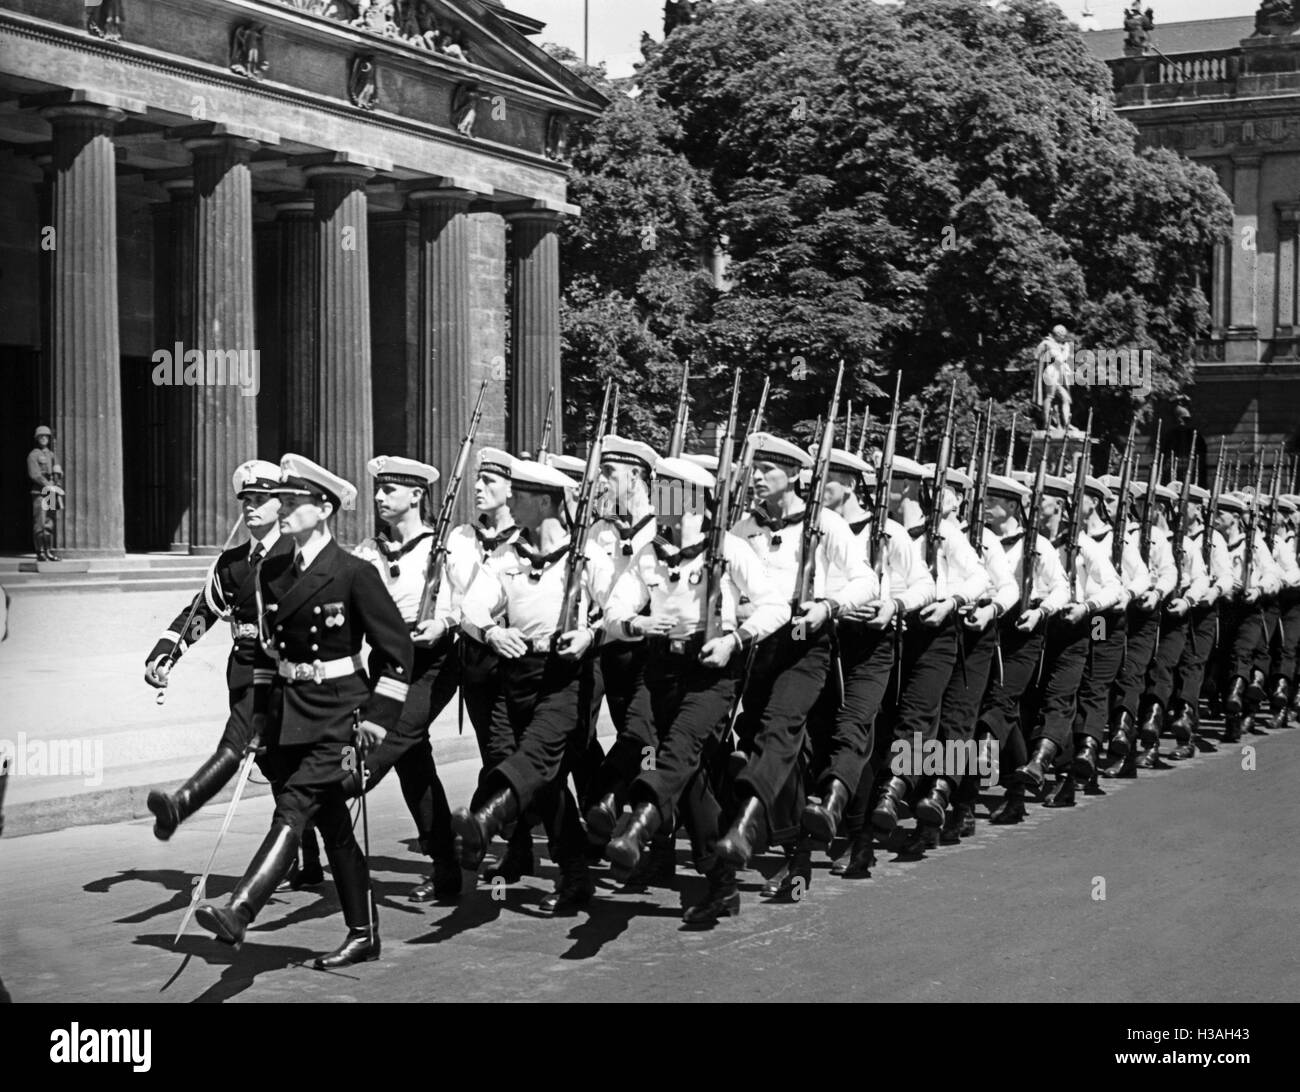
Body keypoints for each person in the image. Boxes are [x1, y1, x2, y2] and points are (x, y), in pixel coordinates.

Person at [195, 454, 413, 969]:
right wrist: (259, 721)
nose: (283, 509)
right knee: (334, 827)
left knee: (293, 807)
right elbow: (268, 656)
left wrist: (378, 719)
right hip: (291, 714)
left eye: (293, 502)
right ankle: (364, 934)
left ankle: (241, 907)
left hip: (340, 715)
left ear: (324, 509)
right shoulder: (270, 572)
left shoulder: (354, 573)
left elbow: (396, 652)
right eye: (283, 501)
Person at [601, 455, 787, 923]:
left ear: (689, 498)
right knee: (691, 780)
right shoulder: (650, 551)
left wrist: (735, 640)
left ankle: (637, 827)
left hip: (714, 670)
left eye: (666, 489)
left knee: (678, 750)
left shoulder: (725, 547)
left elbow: (775, 605)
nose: (657, 496)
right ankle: (721, 881)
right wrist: (636, 622)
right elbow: (614, 608)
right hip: (664, 668)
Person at [452, 455, 616, 913]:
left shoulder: (586, 555)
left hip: (566, 675)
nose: (512, 501)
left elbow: (623, 603)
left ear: (545, 501)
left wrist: (591, 632)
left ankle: (484, 821)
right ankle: (576, 875)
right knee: (540, 780)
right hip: (517, 674)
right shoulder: (507, 556)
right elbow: (472, 606)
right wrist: (491, 631)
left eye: (520, 495)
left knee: (536, 760)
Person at [143, 461, 302, 851]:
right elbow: (200, 613)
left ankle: (182, 804)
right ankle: (307, 855)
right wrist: (165, 654)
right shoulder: (230, 564)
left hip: (283, 676)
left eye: (261, 499)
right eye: (246, 499)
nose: (251, 507)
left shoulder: (295, 555)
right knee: (277, 767)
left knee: (237, 742)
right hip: (243, 671)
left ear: (281, 505)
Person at [350, 455, 461, 903]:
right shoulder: (368, 551)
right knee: (413, 763)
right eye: (378, 489)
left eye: (390, 490)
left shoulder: (443, 548)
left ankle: (336, 790)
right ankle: (447, 866)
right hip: (386, 665)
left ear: (416, 495)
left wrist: (445, 622)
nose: (379, 497)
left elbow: (465, 600)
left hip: (431, 665)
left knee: (384, 742)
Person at [27, 425, 63, 562]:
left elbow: (58, 473)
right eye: (41, 436)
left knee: (49, 523)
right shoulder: (33, 455)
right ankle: (40, 551)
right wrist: (49, 485)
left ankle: (48, 551)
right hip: (40, 492)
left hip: (51, 493)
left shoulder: (52, 455)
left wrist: (57, 480)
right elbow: (35, 475)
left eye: (46, 436)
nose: (44, 438)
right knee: (40, 523)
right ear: (37, 438)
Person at [1033, 325, 1073, 431]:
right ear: (1058, 334)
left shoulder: (1058, 346)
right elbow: (1060, 359)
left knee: (1066, 399)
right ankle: (1046, 424)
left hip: (1058, 375)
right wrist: (1067, 350)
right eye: (1062, 335)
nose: (1064, 338)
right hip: (1051, 373)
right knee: (1050, 397)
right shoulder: (1049, 344)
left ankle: (1066, 425)